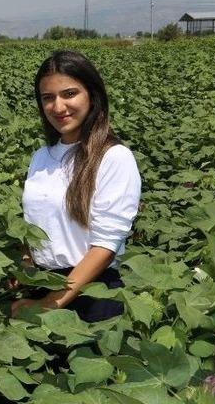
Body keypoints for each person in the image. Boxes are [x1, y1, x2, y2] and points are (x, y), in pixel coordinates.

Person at [11, 50, 141, 322]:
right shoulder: (41, 156)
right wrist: (26, 267)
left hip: (91, 294)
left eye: (69, 94)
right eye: (48, 98)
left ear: (92, 95)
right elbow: (34, 222)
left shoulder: (113, 157)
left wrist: (51, 303)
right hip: (43, 285)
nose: (58, 107)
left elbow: (105, 248)